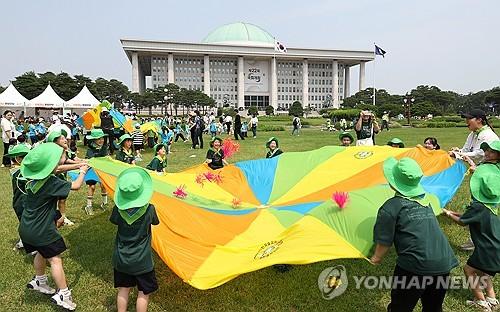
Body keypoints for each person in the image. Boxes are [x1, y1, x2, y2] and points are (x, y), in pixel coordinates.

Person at [371, 157, 458, 312]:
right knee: (433, 306)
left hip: (414, 266)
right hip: (443, 262)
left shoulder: (390, 207)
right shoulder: (427, 200)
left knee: (401, 306)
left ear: (392, 182)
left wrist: (376, 258)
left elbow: (384, 241)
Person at [19, 142, 88, 311]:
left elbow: (56, 169)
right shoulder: (51, 183)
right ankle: (63, 294)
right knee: (55, 259)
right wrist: (82, 172)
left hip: (26, 228)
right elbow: (77, 186)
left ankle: (39, 281)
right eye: (60, 158)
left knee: (41, 252)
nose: (63, 158)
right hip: (42, 231)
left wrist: (78, 163)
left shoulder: (33, 180)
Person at [442, 164, 499, 311]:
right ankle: (492, 299)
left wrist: (448, 214)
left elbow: (462, 222)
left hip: (487, 248)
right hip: (495, 247)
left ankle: (480, 301)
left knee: (469, 270)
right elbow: (468, 216)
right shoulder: (491, 205)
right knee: (483, 271)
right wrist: (450, 211)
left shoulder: (477, 207)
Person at [110, 167, 159, 312]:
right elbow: (155, 222)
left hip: (122, 259)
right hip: (142, 261)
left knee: (123, 289)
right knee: (144, 292)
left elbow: (114, 220)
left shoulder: (117, 210)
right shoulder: (149, 210)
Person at [6, 144, 30, 249]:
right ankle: (28, 244)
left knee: (26, 223)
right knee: (26, 223)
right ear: (18, 158)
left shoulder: (21, 169)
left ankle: (23, 241)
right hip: (21, 201)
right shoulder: (18, 172)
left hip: (23, 200)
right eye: (25, 157)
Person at [85, 129, 109, 215]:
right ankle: (88, 205)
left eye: (102, 138)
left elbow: (106, 157)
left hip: (101, 169)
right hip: (92, 170)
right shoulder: (90, 149)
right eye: (98, 139)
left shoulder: (104, 148)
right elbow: (90, 160)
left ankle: (104, 203)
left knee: (103, 186)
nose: (101, 140)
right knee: (92, 187)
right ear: (93, 140)